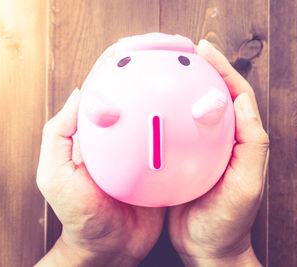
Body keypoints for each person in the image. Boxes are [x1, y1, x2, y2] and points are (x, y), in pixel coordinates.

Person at [35, 38, 269, 267]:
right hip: (177, 182)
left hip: (193, 179)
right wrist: (225, 258)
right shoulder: (111, 83)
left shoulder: (201, 77)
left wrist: (79, 252)